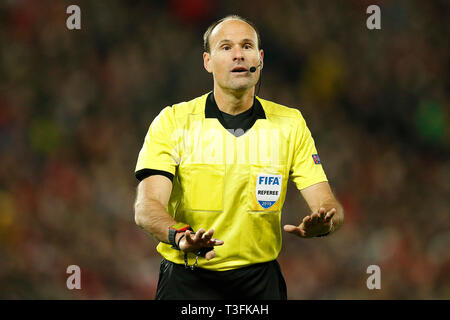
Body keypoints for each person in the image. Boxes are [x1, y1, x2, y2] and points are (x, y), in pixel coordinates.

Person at [134, 15, 344, 300]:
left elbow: (329, 204)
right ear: (207, 61)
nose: (238, 55)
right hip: (187, 279)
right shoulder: (173, 121)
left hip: (259, 283)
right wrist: (181, 236)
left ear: (260, 59)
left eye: (246, 46)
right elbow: (147, 207)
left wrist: (326, 221)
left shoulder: (290, 124)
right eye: (225, 47)